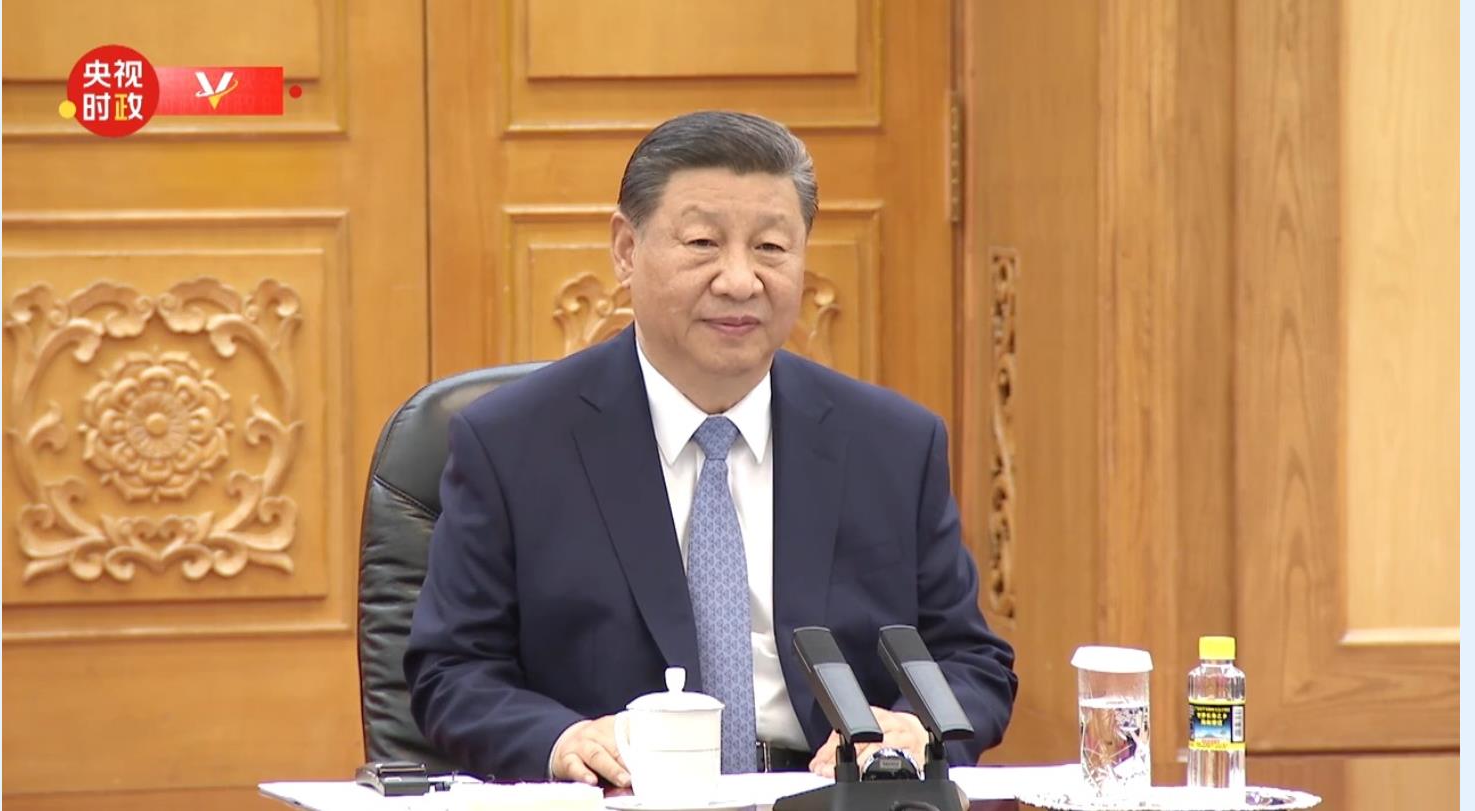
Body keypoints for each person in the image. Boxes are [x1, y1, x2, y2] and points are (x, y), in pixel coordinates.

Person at [404, 110, 1018, 786]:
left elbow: (970, 661)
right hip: (623, 796)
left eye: (771, 248)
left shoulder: (892, 444)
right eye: (702, 243)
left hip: (827, 794)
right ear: (626, 249)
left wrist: (913, 729)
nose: (739, 280)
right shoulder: (512, 442)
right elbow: (451, 671)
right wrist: (560, 740)